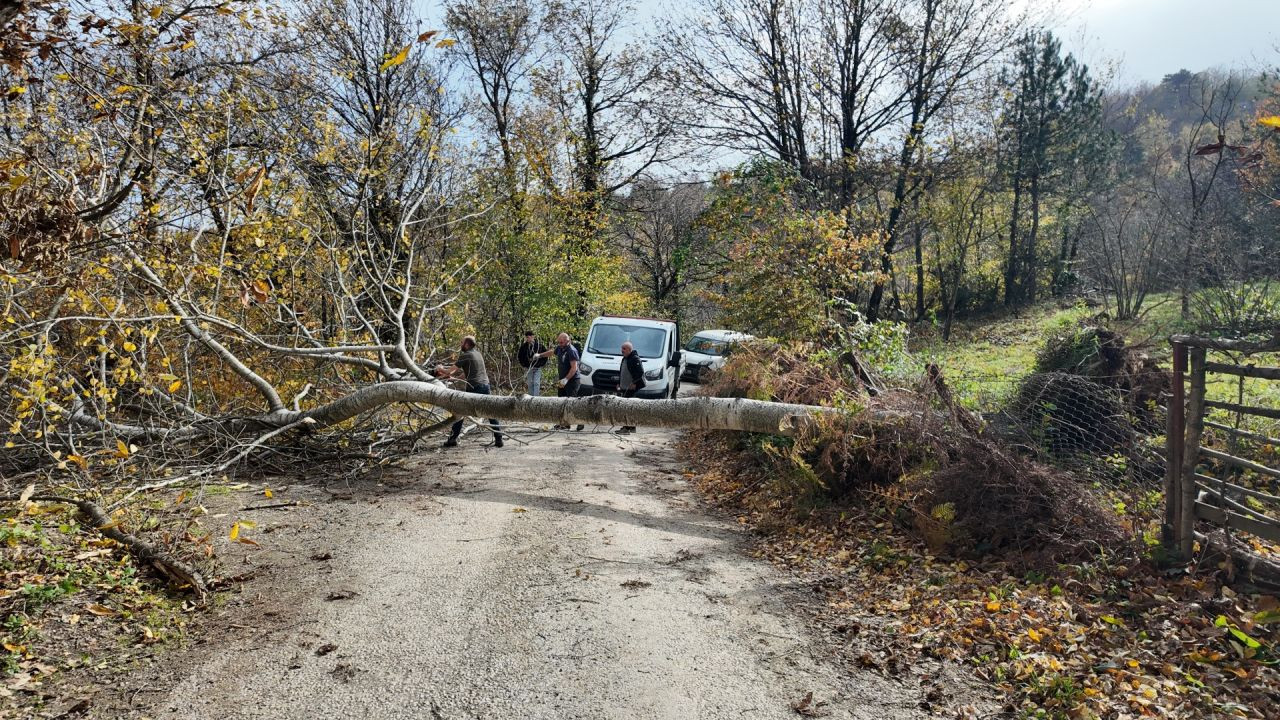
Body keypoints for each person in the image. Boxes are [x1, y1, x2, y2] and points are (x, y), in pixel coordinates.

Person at [436, 336, 503, 448]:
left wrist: (439, 368)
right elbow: (469, 373)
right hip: (485, 385)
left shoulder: (465, 355)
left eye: (462, 342)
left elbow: (449, 371)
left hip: (475, 387)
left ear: (466, 344)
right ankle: (499, 439)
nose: (460, 344)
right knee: (490, 412)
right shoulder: (478, 354)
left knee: (460, 411)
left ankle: (452, 439)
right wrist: (454, 378)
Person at [535, 332, 584, 431]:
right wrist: (540, 355)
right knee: (561, 401)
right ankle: (564, 424)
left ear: (567, 341)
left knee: (572, 402)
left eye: (562, 342)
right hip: (562, 380)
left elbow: (574, 368)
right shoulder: (560, 348)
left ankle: (581, 421)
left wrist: (566, 379)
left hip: (572, 380)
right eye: (559, 342)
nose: (560, 344)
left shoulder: (571, 351)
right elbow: (552, 352)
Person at [615, 340, 646, 434]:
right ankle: (632, 427)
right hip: (624, 386)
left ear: (629, 349)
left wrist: (634, 383)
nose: (622, 350)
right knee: (628, 407)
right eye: (621, 348)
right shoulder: (625, 358)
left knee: (626, 407)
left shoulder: (635, 359)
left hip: (631, 388)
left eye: (624, 349)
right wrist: (618, 383)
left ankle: (626, 428)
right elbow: (622, 372)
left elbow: (640, 372)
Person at [517, 330, 547, 395]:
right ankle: (530, 397)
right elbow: (520, 356)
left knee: (536, 383)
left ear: (533, 336)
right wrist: (524, 365)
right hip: (528, 367)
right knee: (530, 383)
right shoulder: (524, 346)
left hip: (537, 367)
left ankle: (536, 398)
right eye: (526, 337)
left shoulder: (539, 346)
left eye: (529, 337)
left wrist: (541, 364)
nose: (527, 338)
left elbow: (545, 356)